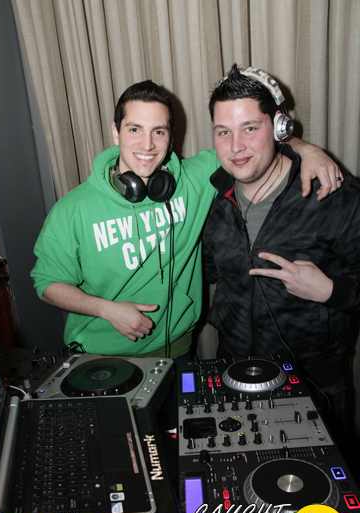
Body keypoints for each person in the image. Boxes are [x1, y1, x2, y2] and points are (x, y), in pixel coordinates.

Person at [31, 79, 342, 360]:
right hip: (101, 356)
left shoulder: (194, 178)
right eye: (134, 129)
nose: (147, 144)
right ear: (116, 132)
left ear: (171, 137)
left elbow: (252, 144)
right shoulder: (72, 209)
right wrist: (107, 309)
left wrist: (306, 149)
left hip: (179, 349)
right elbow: (47, 284)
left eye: (159, 131)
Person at [203, 64, 360, 431]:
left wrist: (329, 290)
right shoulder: (212, 198)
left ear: (279, 128)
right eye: (223, 132)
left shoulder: (333, 194)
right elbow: (211, 272)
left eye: (250, 128)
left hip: (313, 380)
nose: (236, 146)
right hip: (232, 370)